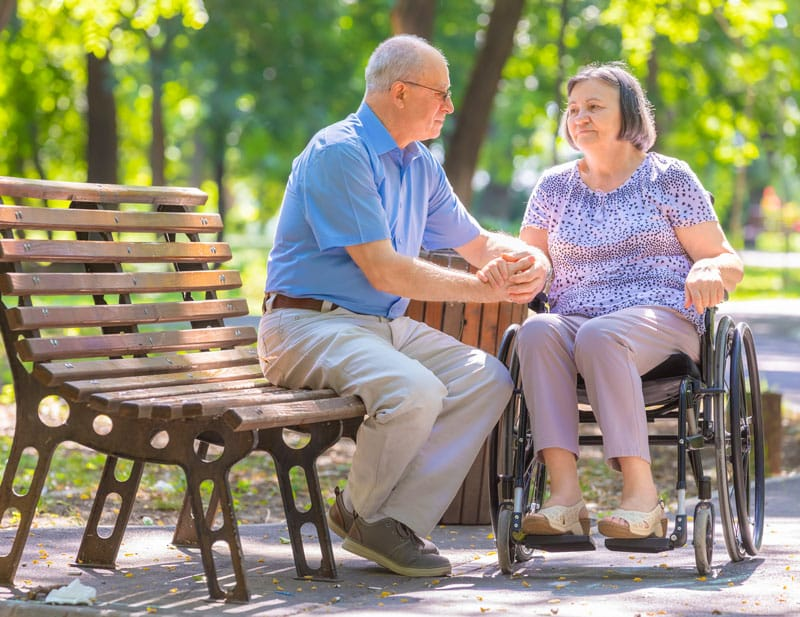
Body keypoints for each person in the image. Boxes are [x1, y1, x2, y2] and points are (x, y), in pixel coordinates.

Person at [258, 34, 549, 577]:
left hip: (378, 326)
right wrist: (484, 289)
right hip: (304, 325)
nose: (450, 106)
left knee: (485, 377)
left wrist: (532, 260)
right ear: (399, 92)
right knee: (414, 389)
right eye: (441, 93)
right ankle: (363, 514)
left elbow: (480, 244)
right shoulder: (340, 152)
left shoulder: (419, 163)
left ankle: (388, 521)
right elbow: (385, 269)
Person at [513, 62, 743, 539]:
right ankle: (564, 497)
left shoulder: (668, 178)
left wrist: (706, 267)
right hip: (575, 318)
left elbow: (726, 260)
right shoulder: (554, 187)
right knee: (535, 330)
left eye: (595, 107)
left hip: (662, 322)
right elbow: (532, 258)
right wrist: (523, 268)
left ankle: (643, 498)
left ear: (629, 115)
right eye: (573, 109)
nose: (580, 117)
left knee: (601, 335)